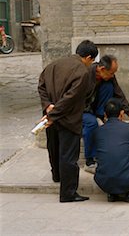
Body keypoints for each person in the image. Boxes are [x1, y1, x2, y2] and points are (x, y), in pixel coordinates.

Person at [37, 40, 98, 203]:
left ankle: (57, 176)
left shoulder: (53, 65)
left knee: (54, 148)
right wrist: (53, 114)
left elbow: (41, 86)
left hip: (52, 116)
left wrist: (48, 106)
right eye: (91, 61)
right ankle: (68, 192)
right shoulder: (82, 72)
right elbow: (70, 98)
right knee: (69, 156)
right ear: (89, 57)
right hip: (68, 119)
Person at [82, 54, 129, 172]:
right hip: (81, 109)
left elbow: (118, 93)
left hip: (96, 108)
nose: (113, 76)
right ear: (102, 69)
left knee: (109, 86)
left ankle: (101, 116)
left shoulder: (108, 77)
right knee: (92, 124)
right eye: (111, 73)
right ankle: (89, 161)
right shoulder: (85, 74)